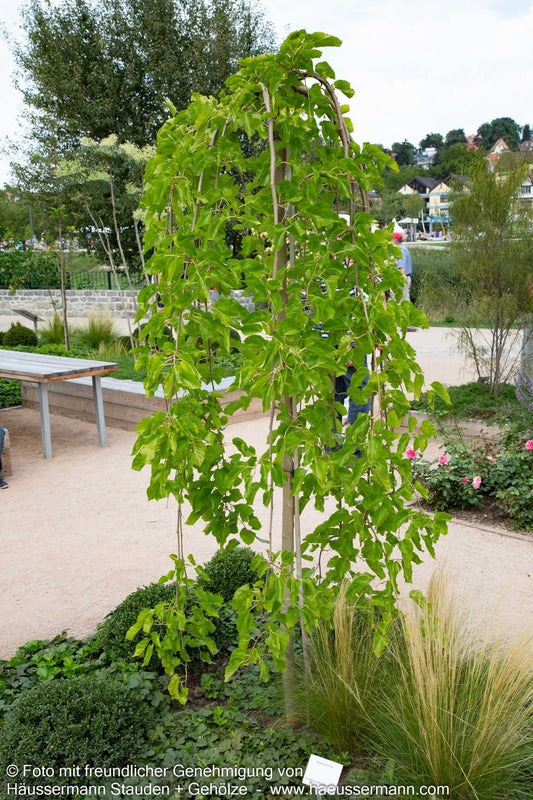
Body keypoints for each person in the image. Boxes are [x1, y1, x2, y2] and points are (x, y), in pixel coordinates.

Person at [392, 231, 412, 303]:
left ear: (395, 241)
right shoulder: (403, 248)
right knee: (405, 302)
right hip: (406, 278)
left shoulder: (399, 250)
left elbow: (402, 268)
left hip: (401, 279)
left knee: (396, 302)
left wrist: (400, 285)